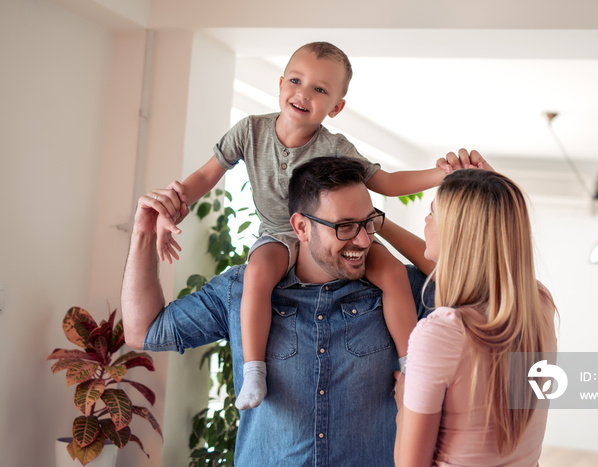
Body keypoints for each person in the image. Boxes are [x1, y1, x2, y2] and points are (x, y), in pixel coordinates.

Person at [122, 152, 490, 466]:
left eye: (368, 224)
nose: (362, 240)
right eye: (344, 227)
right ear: (300, 227)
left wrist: (485, 199)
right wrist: (142, 232)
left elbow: (484, 294)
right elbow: (144, 331)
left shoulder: (401, 290)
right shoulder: (240, 290)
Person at [155, 41, 452, 410]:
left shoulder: (336, 147)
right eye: (296, 80)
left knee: (391, 270)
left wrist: (441, 175)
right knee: (257, 275)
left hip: (335, 233)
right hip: (278, 234)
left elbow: (387, 183)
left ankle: (411, 363)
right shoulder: (250, 130)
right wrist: (174, 205)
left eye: (320, 89)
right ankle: (254, 370)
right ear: (280, 84)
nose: (303, 93)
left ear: (336, 107)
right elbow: (205, 174)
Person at [383, 168, 558, 466]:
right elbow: (486, 257)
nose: (426, 221)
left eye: (432, 213)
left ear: (456, 233)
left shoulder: (444, 332)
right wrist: (380, 223)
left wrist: (402, 400)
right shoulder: (538, 304)